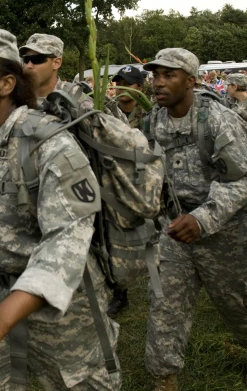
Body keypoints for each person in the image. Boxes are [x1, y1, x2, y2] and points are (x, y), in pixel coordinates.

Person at [0, 28, 120, 390]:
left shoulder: (50, 145)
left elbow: (67, 240)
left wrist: (0, 320)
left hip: (63, 310)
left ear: (6, 84)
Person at [143, 48, 247, 390]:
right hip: (173, 232)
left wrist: (202, 219)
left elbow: (241, 179)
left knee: (239, 305)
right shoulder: (152, 121)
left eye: (168, 75)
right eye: (155, 75)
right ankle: (164, 375)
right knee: (164, 306)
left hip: (224, 232)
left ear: (191, 81)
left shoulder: (217, 119)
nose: (158, 82)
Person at [105, 64, 150, 317]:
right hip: (116, 183)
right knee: (114, 238)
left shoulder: (150, 114)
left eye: (127, 83)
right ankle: (120, 293)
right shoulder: (107, 112)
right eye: (117, 82)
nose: (119, 88)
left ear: (139, 88)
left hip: (145, 183)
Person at [19, 33, 126, 122]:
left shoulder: (77, 101)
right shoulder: (15, 99)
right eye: (26, 59)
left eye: (37, 59)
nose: (29, 65)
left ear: (56, 63)